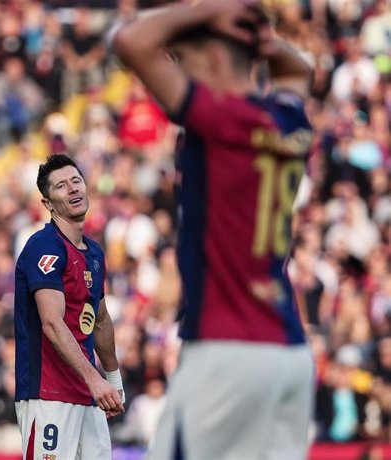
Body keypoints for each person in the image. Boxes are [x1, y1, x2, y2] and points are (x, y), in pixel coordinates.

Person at [113, 1, 315, 459]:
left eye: (186, 63)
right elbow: (299, 71)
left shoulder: (221, 119)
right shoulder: (287, 120)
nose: (182, 75)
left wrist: (208, 11)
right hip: (289, 351)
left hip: (226, 350)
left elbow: (129, 40)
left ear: (217, 59)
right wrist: (265, 42)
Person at [13, 154, 125, 460]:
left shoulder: (95, 253)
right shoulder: (44, 246)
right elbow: (51, 323)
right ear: (48, 203)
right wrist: (95, 380)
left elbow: (99, 319)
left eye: (76, 181)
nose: (73, 189)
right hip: (48, 394)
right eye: (61, 186)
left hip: (88, 396)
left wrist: (112, 380)